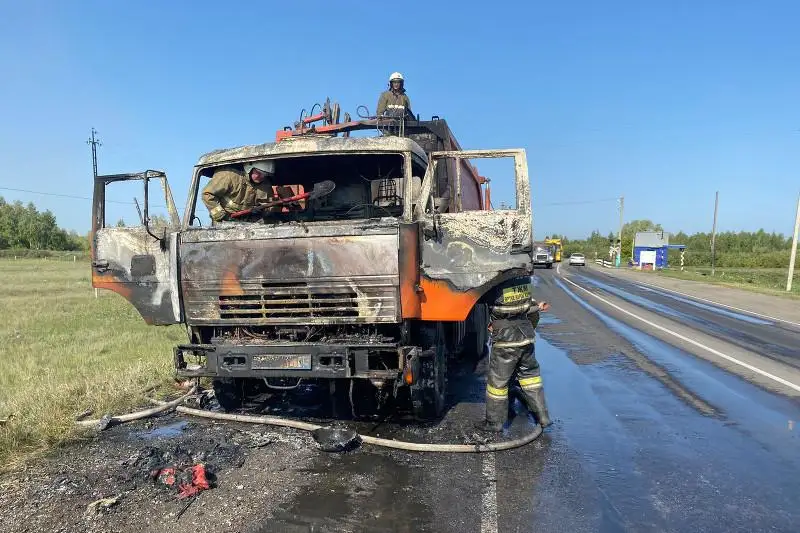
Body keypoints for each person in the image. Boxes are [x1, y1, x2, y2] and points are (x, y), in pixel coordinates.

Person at [475, 278, 552, 433]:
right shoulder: (524, 283)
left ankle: (494, 423)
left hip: (506, 341)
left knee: (497, 384)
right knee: (531, 379)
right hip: (526, 338)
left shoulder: (494, 285)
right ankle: (543, 417)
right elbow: (532, 312)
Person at [202, 161, 276, 222]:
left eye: (265, 175)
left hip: (249, 224)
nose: (262, 177)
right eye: (259, 173)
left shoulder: (266, 185)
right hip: (224, 222)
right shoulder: (229, 176)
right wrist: (221, 216)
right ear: (249, 168)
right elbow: (207, 195)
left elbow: (268, 205)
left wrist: (261, 212)